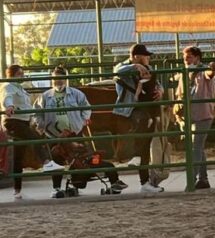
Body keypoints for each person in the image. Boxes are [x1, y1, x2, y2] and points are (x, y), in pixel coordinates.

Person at [34, 66, 128, 197]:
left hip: (74, 133)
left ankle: (80, 180)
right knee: (57, 159)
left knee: (82, 157)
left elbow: (86, 108)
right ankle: (56, 188)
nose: (58, 81)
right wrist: (42, 126)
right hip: (54, 135)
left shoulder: (76, 94)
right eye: (56, 78)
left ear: (66, 79)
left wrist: (82, 121)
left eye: (61, 78)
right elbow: (37, 113)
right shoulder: (45, 97)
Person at [1, 64, 65, 199]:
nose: (22, 76)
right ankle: (47, 162)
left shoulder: (21, 88)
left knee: (19, 155)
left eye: (22, 74)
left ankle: (17, 190)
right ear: (11, 75)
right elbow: (7, 97)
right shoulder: (8, 87)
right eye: (20, 74)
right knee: (36, 138)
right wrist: (9, 106)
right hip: (14, 122)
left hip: (22, 122)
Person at [113, 43, 165, 193]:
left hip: (148, 108)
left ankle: (144, 181)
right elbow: (118, 71)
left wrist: (160, 90)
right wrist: (135, 67)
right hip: (131, 109)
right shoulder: (124, 67)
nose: (148, 58)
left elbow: (157, 82)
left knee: (146, 142)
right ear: (136, 57)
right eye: (145, 55)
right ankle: (139, 167)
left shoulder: (148, 68)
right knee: (142, 135)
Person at [175, 46, 215, 190]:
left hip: (203, 113)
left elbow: (209, 74)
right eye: (185, 57)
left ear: (197, 57)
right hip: (189, 114)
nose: (186, 59)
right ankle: (203, 179)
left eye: (189, 57)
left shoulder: (202, 71)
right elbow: (179, 94)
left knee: (196, 146)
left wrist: (212, 69)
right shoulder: (183, 73)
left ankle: (191, 180)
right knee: (198, 146)